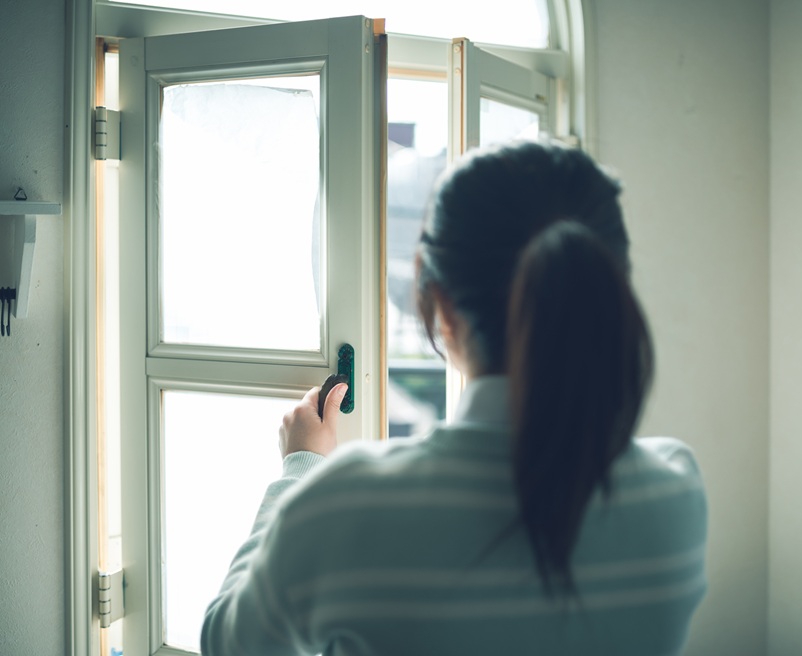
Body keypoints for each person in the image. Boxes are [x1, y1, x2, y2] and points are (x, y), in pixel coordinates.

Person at [201, 141, 708, 656]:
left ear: (439, 303)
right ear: (609, 289)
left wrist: (299, 467)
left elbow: (228, 644)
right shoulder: (675, 495)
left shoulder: (347, 506)